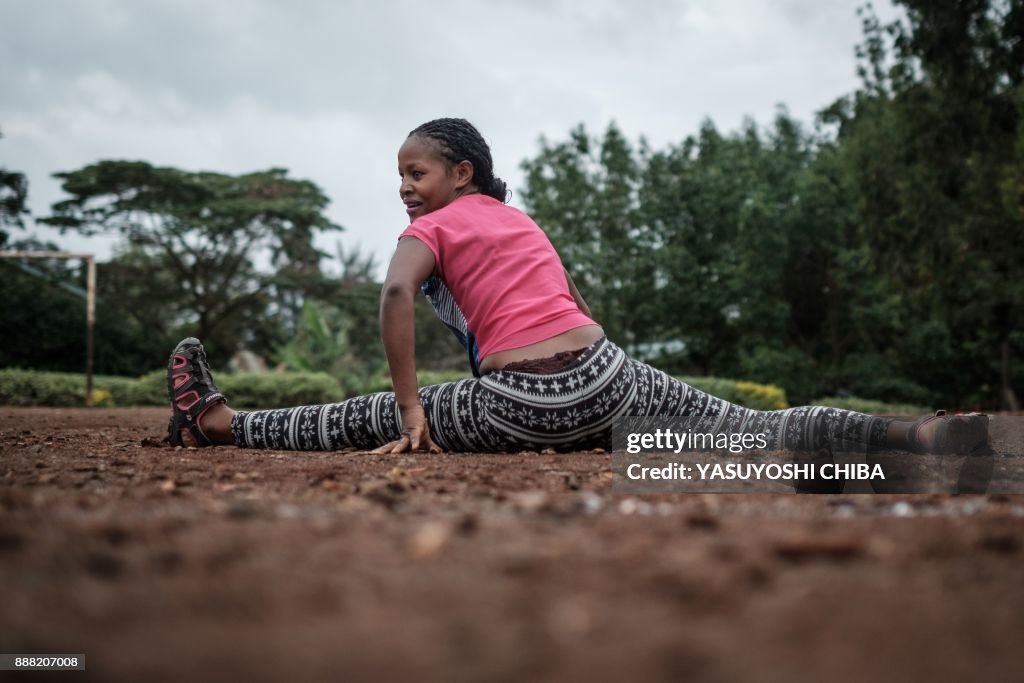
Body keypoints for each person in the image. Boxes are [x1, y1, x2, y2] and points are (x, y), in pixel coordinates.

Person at [166, 118, 988, 462]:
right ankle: (909, 436)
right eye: (399, 178)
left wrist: (417, 410)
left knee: (369, 414)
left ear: (461, 174)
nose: (406, 189)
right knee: (750, 427)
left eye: (416, 173)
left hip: (526, 403)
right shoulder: (520, 221)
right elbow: (564, 304)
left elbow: (392, 298)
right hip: (606, 377)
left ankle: (217, 420)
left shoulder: (433, 230)